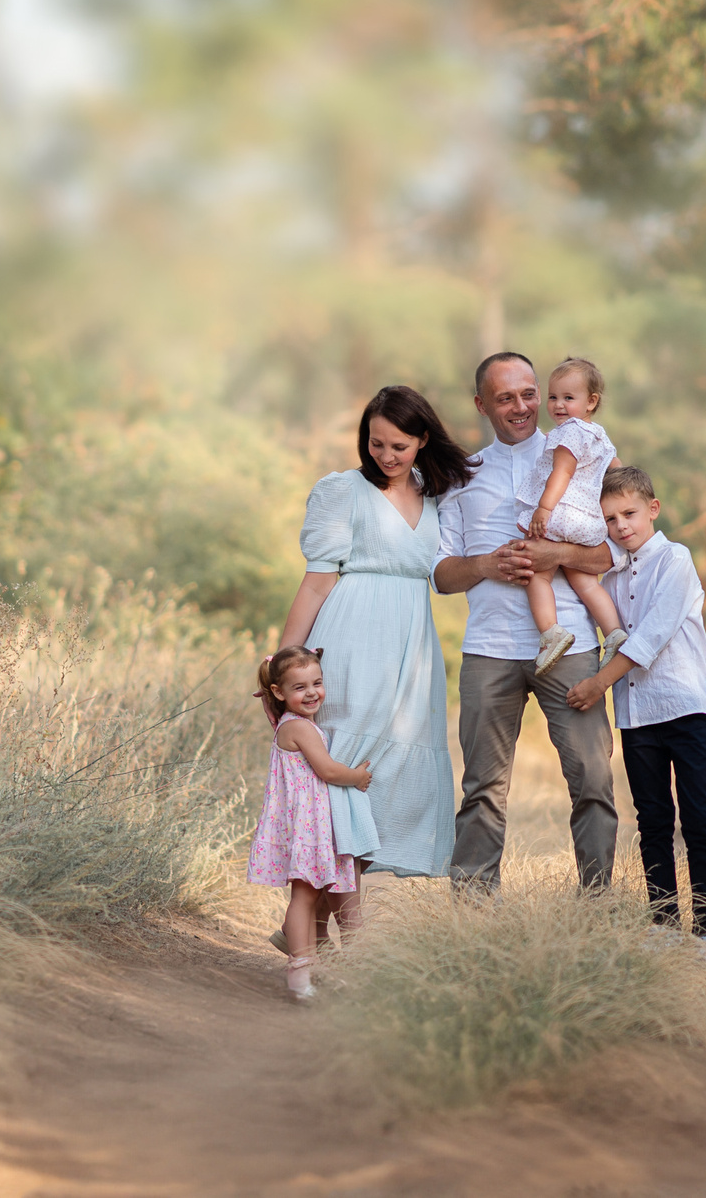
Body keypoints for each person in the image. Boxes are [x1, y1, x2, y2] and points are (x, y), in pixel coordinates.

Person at [433, 351, 619, 893]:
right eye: (505, 397)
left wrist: (554, 556)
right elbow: (442, 576)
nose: (522, 407)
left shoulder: (583, 453)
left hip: (573, 645)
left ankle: (598, 907)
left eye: (529, 393)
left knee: (592, 778)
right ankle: (473, 912)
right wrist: (490, 564)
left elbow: (614, 554)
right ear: (481, 406)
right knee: (483, 788)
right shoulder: (460, 476)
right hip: (489, 648)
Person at [275, 384, 471, 882]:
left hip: (412, 644)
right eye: (375, 443)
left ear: (423, 439)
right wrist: (284, 663)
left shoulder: (437, 493)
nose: (385, 455)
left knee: (391, 772)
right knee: (344, 762)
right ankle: (310, 916)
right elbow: (317, 585)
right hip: (352, 633)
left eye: (398, 446)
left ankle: (318, 921)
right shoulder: (345, 491)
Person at [567, 464, 706, 967]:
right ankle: (663, 924)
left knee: (700, 820)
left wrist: (597, 682)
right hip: (637, 717)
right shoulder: (612, 573)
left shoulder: (676, 561)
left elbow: (650, 638)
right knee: (654, 821)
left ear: (653, 509)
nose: (621, 526)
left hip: (685, 708)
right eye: (610, 518)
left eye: (630, 514)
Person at [248, 647, 377, 1000]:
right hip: (308, 830)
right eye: (299, 687)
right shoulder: (298, 729)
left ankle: (335, 970)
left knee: (327, 896)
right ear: (279, 693)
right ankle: (299, 973)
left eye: (317, 683)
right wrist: (358, 777)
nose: (312, 693)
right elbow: (328, 770)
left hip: (319, 829)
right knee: (304, 897)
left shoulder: (294, 724)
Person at [517, 356, 626, 675]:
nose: (558, 406)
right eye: (553, 397)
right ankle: (614, 634)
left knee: (538, 573)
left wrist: (544, 509)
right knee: (586, 582)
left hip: (560, 514)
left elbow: (561, 473)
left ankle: (551, 632)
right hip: (588, 522)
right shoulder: (600, 435)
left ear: (591, 401)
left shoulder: (568, 432)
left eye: (568, 398)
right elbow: (617, 470)